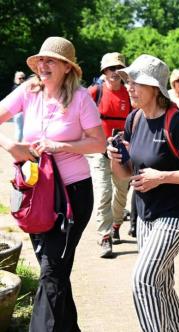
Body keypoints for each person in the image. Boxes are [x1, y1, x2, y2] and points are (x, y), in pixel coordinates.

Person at [0, 36, 105, 331]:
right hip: (35, 192)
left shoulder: (81, 98)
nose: (43, 66)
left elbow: (98, 143)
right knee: (55, 271)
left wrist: (59, 145)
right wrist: (12, 146)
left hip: (72, 194)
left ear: (67, 68)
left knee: (51, 271)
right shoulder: (28, 91)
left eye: (51, 61)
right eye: (41, 60)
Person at [108, 54, 179, 331]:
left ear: (155, 88)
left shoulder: (177, 123)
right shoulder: (134, 119)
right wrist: (115, 160)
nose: (128, 86)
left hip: (176, 215)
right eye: (127, 81)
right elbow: (127, 174)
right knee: (161, 281)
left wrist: (162, 177)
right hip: (145, 214)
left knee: (143, 279)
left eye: (135, 82)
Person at [88, 52, 131, 258]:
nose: (115, 73)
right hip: (99, 150)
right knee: (104, 192)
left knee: (121, 193)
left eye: (119, 69)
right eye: (111, 68)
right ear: (104, 71)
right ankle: (105, 237)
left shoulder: (131, 93)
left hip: (123, 151)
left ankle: (115, 225)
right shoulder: (94, 92)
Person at [11, 71, 26, 141]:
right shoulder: (17, 88)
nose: (22, 79)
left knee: (20, 130)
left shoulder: (20, 87)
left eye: (23, 78)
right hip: (19, 112)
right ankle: (18, 146)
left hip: (21, 112)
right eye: (20, 78)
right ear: (15, 79)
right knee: (20, 130)